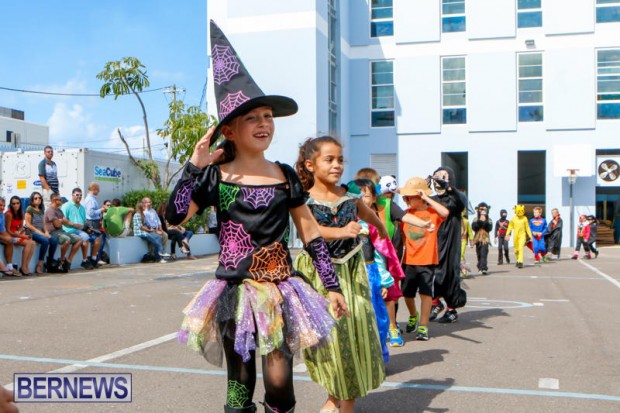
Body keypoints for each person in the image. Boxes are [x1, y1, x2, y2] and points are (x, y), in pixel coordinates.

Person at [165, 20, 347, 413]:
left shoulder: (284, 175)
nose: (264, 123)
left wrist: (331, 285)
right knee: (240, 383)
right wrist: (194, 167)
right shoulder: (215, 176)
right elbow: (174, 217)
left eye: (268, 116)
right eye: (252, 117)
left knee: (280, 384)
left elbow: (311, 233)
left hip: (280, 290)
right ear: (229, 131)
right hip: (234, 293)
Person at [295, 136, 386, 413]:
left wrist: (382, 229)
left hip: (351, 271)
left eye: (340, 160)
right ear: (310, 165)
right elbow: (310, 232)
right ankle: (335, 394)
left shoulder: (350, 196)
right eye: (329, 159)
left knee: (353, 332)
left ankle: (344, 400)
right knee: (329, 339)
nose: (337, 165)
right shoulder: (302, 200)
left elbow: (368, 214)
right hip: (318, 274)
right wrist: (342, 231)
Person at [349, 178, 402, 359]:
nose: (361, 199)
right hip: (349, 277)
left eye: (366, 195)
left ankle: (377, 358)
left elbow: (379, 256)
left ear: (373, 198)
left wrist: (384, 281)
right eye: (357, 195)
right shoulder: (342, 222)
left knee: (377, 319)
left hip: (371, 275)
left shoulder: (372, 224)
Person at [399, 177, 448, 341]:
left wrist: (427, 197)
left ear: (420, 197)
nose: (406, 200)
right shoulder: (406, 215)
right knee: (407, 293)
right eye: (405, 198)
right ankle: (414, 314)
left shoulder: (433, 213)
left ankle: (423, 326)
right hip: (408, 261)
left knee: (426, 293)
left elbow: (445, 213)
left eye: (409, 197)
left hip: (427, 261)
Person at [428, 167, 468, 324]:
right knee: (430, 273)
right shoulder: (432, 199)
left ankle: (451, 309)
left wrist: (449, 188)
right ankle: (435, 302)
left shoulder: (455, 199)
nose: (438, 179)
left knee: (449, 274)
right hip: (434, 241)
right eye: (436, 176)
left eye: (443, 176)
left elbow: (461, 203)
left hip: (450, 243)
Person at [61, 188, 101, 270]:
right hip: (69, 230)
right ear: (72, 195)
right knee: (85, 237)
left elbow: (84, 221)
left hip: (80, 230)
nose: (79, 197)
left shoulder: (82, 208)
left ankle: (93, 259)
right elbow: (63, 220)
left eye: (80, 195)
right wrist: (73, 225)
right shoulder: (66, 206)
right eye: (77, 195)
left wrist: (88, 228)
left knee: (98, 236)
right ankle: (84, 260)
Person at [44, 193, 83, 272]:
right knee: (67, 239)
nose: (61, 201)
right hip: (53, 232)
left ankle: (68, 260)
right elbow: (57, 225)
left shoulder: (59, 210)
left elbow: (66, 222)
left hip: (61, 231)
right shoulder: (50, 210)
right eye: (59, 199)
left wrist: (74, 225)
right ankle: (62, 260)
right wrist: (62, 221)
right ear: (54, 200)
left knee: (79, 239)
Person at [24, 192, 59, 274]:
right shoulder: (29, 209)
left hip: (40, 232)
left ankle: (50, 262)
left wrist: (46, 232)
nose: (38, 199)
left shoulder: (41, 211)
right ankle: (40, 264)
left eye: (39, 198)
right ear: (32, 200)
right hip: (32, 232)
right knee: (45, 241)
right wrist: (41, 233)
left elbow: (43, 225)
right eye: (36, 198)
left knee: (54, 241)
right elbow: (28, 225)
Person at [5, 196, 36, 276]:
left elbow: (21, 226)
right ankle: (23, 267)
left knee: (33, 243)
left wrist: (20, 232)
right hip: (10, 234)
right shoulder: (9, 214)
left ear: (20, 204)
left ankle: (26, 265)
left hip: (17, 233)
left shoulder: (21, 213)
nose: (16, 205)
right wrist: (21, 235)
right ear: (11, 205)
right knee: (29, 243)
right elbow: (8, 230)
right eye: (13, 203)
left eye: (17, 203)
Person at [82, 182, 107, 265]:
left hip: (93, 222)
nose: (99, 191)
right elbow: (91, 213)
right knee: (97, 239)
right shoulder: (90, 200)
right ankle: (93, 259)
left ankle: (94, 258)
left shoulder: (91, 199)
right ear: (94, 189)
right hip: (92, 222)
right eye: (98, 189)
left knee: (97, 239)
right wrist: (101, 210)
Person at [505, 205, 533, 269]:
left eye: (521, 211)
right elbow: (510, 226)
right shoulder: (513, 218)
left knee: (521, 248)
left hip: (522, 235)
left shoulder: (525, 218)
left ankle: (520, 262)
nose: (520, 212)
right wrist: (507, 234)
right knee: (516, 250)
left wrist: (530, 236)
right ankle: (518, 260)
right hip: (515, 236)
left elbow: (527, 228)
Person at [471, 202, 493, 275]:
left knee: (484, 252)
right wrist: (480, 221)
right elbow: (474, 228)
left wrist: (485, 221)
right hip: (477, 239)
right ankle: (479, 266)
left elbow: (489, 228)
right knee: (479, 253)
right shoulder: (475, 219)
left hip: (485, 239)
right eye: (481, 209)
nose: (483, 211)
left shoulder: (489, 220)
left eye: (484, 209)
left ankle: (483, 268)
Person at [0, 197, 19, 277]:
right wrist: (4, 238)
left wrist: (10, 238)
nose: (2, 207)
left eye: (3, 205)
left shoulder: (1, 215)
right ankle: (2, 268)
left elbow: (3, 231)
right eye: (0, 205)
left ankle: (9, 266)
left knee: (10, 241)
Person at [460, 209, 473, 277]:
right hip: (455, 240)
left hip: (463, 239)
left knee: (461, 254)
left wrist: (471, 240)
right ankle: (462, 269)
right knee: (457, 256)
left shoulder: (466, 221)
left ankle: (464, 270)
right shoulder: (454, 220)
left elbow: (470, 232)